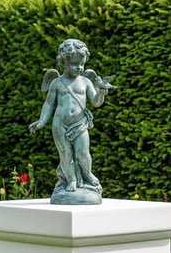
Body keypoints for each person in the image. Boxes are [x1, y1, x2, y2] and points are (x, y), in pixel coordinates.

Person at [29, 39, 113, 198]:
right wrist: (41, 122)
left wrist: (101, 93)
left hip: (80, 124)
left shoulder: (86, 81)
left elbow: (95, 102)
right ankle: (71, 180)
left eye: (82, 64)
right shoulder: (56, 83)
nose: (80, 68)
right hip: (60, 124)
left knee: (83, 153)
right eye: (75, 64)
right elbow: (48, 104)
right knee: (66, 154)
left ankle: (87, 174)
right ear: (64, 62)